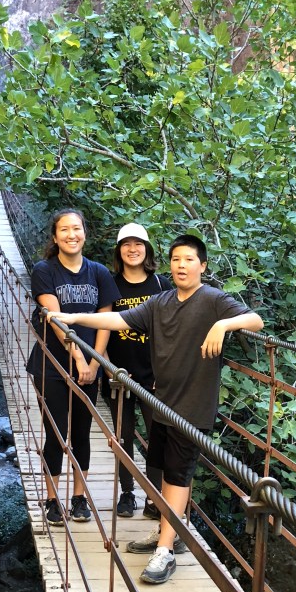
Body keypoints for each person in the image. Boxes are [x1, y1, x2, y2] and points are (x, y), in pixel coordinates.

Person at [49, 233, 264, 584]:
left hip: (191, 406)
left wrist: (224, 324)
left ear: (202, 265)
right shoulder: (160, 301)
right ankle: (169, 530)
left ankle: (165, 551)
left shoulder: (213, 300)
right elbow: (119, 320)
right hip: (162, 401)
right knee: (166, 471)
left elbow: (255, 321)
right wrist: (74, 320)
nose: (181, 265)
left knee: (178, 475)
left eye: (189, 260)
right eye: (176, 259)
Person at [27, 208, 119, 526]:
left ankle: (79, 498)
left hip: (89, 368)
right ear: (55, 237)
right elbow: (55, 320)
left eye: (76, 228)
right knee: (55, 433)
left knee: (82, 432)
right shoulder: (45, 270)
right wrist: (80, 359)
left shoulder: (99, 273)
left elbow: (106, 321)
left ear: (84, 233)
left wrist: (95, 362)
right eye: (64, 229)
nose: (71, 234)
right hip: (52, 364)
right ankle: (53, 500)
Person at [105, 223, 172, 520]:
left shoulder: (161, 285)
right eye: (126, 244)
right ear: (119, 251)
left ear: (147, 249)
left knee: (157, 438)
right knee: (123, 437)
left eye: (138, 244)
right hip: (119, 376)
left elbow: (172, 331)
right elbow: (102, 329)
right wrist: (108, 368)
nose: (133, 249)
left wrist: (165, 371)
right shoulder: (109, 285)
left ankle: (154, 498)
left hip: (154, 378)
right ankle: (127, 493)